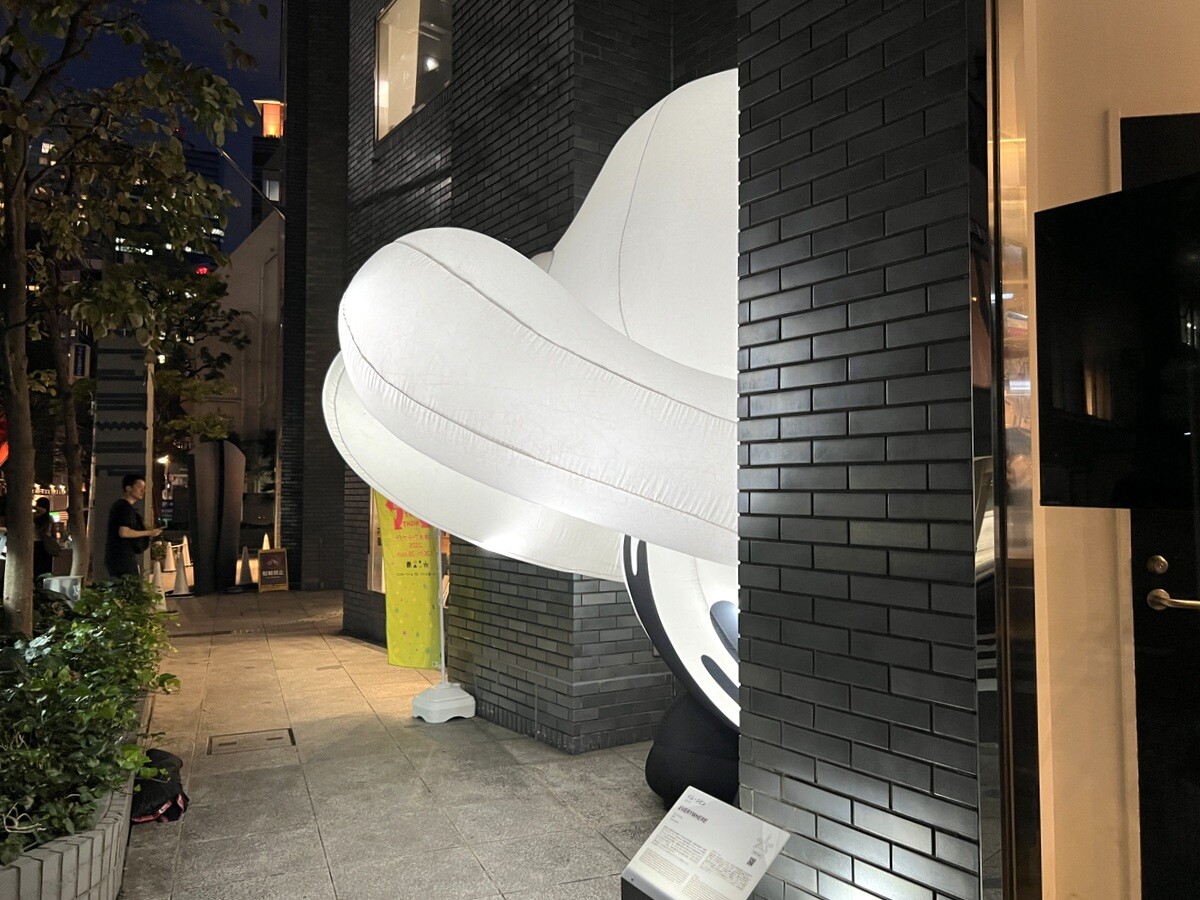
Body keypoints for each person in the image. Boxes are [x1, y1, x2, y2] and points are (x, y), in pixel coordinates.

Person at [106, 474, 162, 578]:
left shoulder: (120, 506)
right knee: (130, 585)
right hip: (122, 558)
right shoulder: (125, 507)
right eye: (140, 487)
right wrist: (150, 532)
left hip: (118, 557)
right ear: (128, 488)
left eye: (144, 488)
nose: (143, 491)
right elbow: (124, 532)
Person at [33, 496, 56, 578]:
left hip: (35, 544)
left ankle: (36, 581)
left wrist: (32, 506)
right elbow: (54, 533)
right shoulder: (49, 518)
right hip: (46, 544)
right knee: (46, 567)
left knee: (35, 566)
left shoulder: (34, 517)